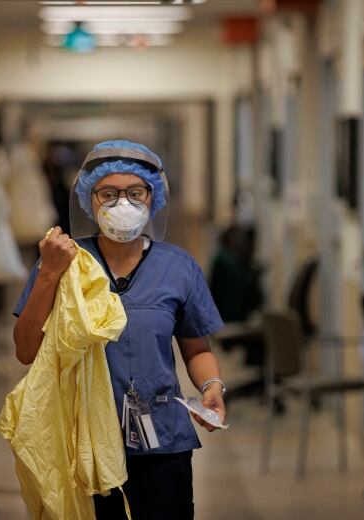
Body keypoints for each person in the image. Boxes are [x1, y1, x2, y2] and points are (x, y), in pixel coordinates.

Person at [12, 140, 226, 519]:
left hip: (162, 441)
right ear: (89, 200)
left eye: (135, 193)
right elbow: (27, 350)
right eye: (108, 193)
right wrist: (48, 273)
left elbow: (197, 349)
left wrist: (212, 387)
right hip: (84, 442)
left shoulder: (178, 267)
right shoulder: (64, 263)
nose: (122, 204)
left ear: (153, 198)